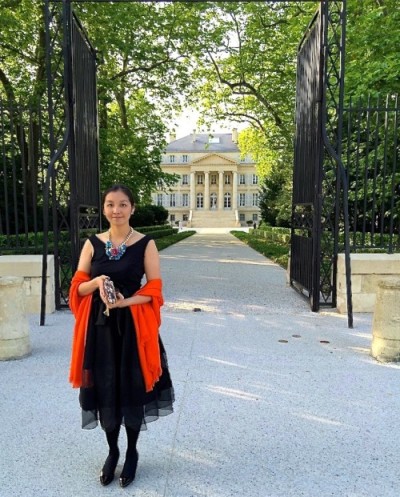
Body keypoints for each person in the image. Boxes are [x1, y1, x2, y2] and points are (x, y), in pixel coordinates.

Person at [68, 184, 174, 488]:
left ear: (132, 208)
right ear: (104, 208)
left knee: (131, 386)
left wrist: (124, 302)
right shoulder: (92, 244)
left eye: (123, 204)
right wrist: (98, 280)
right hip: (99, 329)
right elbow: (77, 288)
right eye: (111, 204)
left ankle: (131, 452)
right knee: (105, 387)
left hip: (132, 329)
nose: (116, 210)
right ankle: (112, 451)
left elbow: (154, 289)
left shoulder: (145, 244)